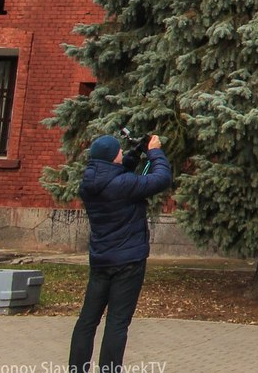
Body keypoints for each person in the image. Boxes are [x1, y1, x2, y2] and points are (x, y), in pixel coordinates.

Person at [68, 132, 173, 373]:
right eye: (118, 152)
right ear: (112, 156)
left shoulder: (89, 183)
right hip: (128, 262)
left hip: (101, 261)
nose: (120, 154)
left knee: (88, 320)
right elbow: (161, 178)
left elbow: (116, 173)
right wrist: (154, 151)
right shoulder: (124, 185)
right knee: (117, 323)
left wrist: (135, 153)